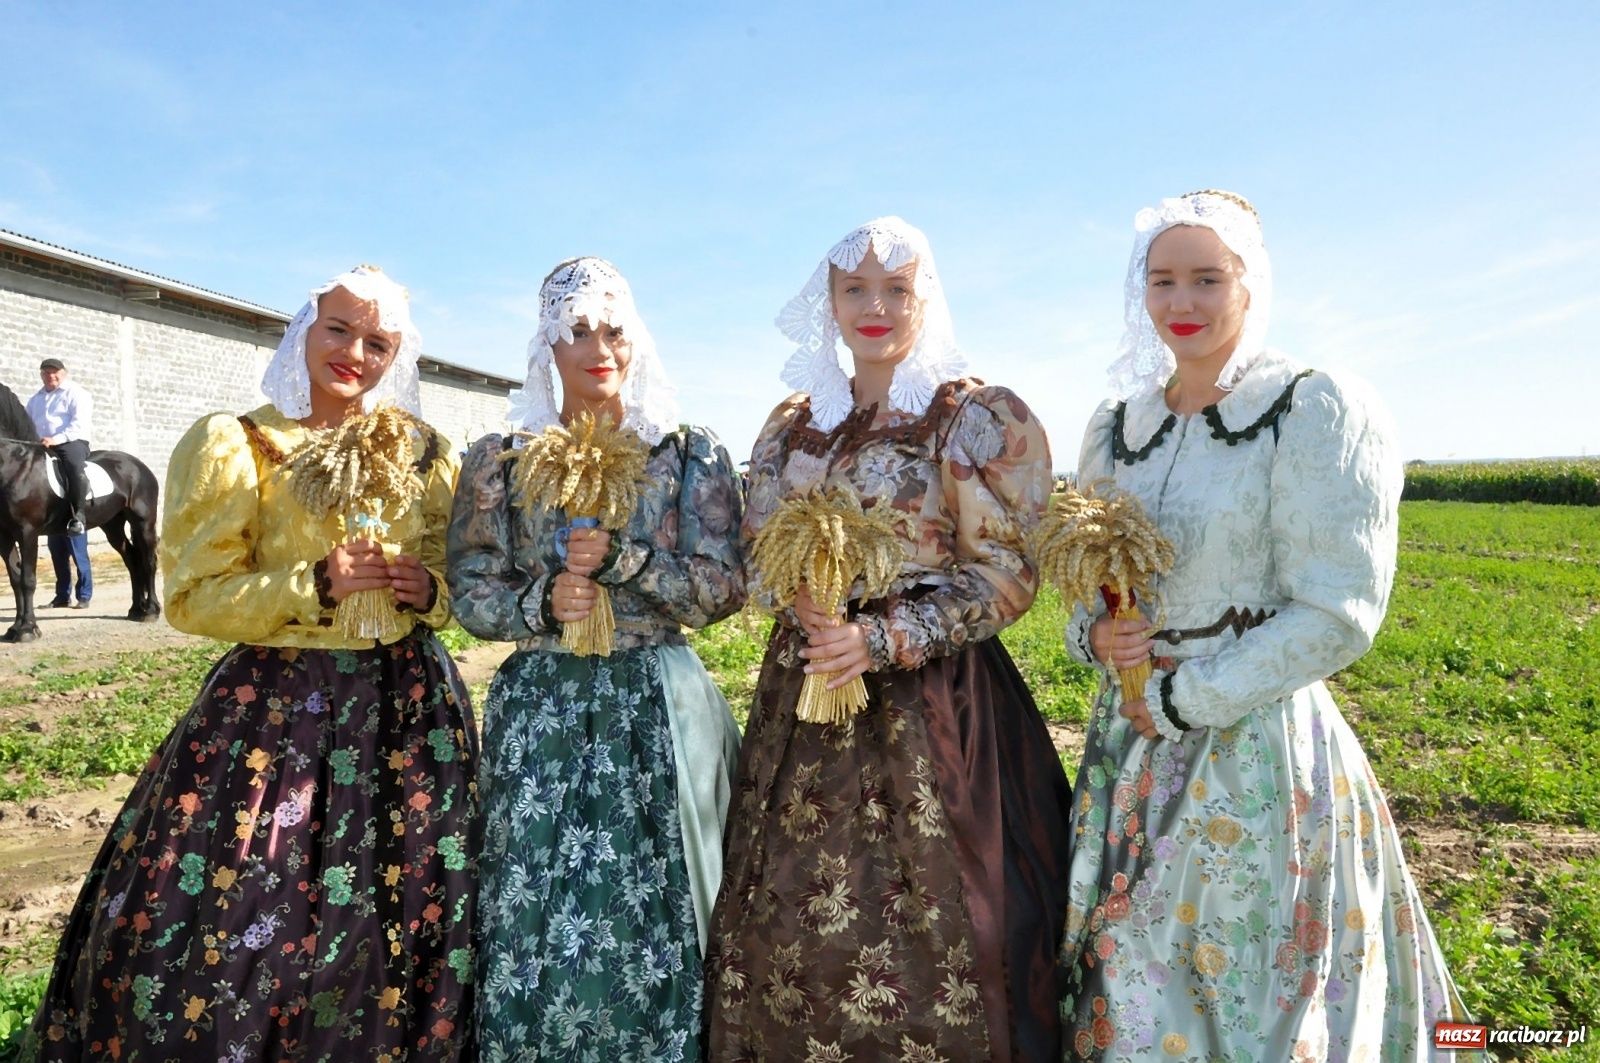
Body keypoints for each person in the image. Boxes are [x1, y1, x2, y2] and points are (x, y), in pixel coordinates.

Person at [1057, 191, 1477, 1060]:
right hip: (1127, 752)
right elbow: (1084, 582)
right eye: (1163, 280)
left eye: (1208, 278)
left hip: (1250, 750)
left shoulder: (1311, 408)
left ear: (1250, 284)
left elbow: (1339, 609)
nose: (1182, 303)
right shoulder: (1116, 426)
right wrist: (1096, 638)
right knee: (1125, 976)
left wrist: (1187, 697)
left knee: (1242, 990)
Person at [23, 266, 478, 1062]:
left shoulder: (427, 452)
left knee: (412, 895)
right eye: (339, 329)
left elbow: (456, 581)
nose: (355, 354)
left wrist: (428, 586)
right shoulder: (240, 441)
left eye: (378, 342)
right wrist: (316, 582)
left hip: (410, 711)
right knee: (251, 890)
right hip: (279, 706)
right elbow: (194, 594)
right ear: (305, 327)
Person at [705, 217, 1074, 1062]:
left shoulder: (973, 416)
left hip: (933, 704)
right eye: (854, 288)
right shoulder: (794, 424)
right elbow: (755, 556)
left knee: (943, 924)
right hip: (804, 700)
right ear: (827, 302)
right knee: (786, 921)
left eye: (896, 288)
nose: (875, 306)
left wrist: (880, 637)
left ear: (925, 295)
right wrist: (807, 603)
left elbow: (1009, 572)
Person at [447, 257, 745, 1061]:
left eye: (613, 329)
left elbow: (724, 586)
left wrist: (628, 565)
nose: (598, 347)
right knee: (537, 905)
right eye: (577, 331)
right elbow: (469, 586)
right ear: (548, 342)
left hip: (659, 698)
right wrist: (539, 602)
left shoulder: (685, 453)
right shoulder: (503, 458)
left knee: (663, 902)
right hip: (543, 708)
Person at [27, 358, 94, 603]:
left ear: (63, 373)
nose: (50, 377)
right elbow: (26, 425)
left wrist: (57, 439)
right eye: (46, 373)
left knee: (75, 468)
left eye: (55, 373)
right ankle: (61, 594)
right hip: (42, 445)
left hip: (70, 443)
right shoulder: (35, 400)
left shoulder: (77, 393)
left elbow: (79, 425)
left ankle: (78, 513)